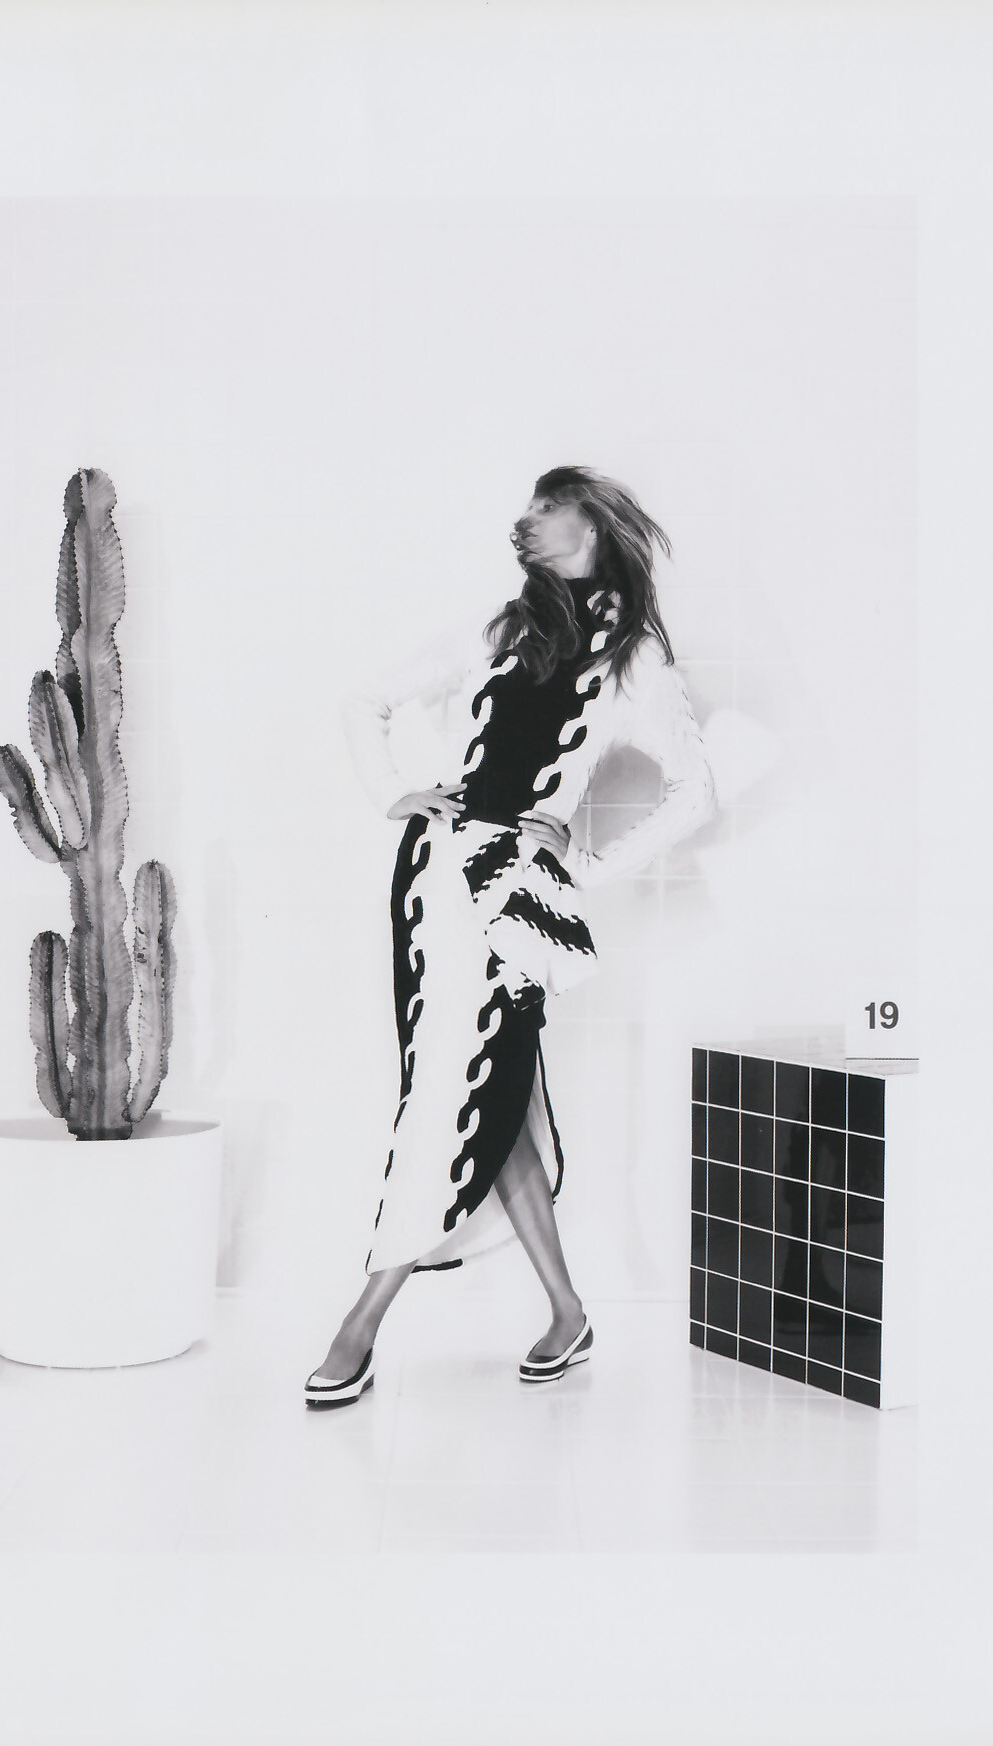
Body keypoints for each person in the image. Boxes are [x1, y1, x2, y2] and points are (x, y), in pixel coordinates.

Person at [304, 466, 716, 1409]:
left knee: (451, 1092)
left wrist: (587, 866)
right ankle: (569, 1312)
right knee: (484, 1091)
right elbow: (364, 701)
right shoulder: (497, 630)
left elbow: (694, 792)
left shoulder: (635, 664)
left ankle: (360, 1323)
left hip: (516, 897)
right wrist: (394, 793)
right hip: (431, 883)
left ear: (592, 524)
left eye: (546, 506)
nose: (525, 521)